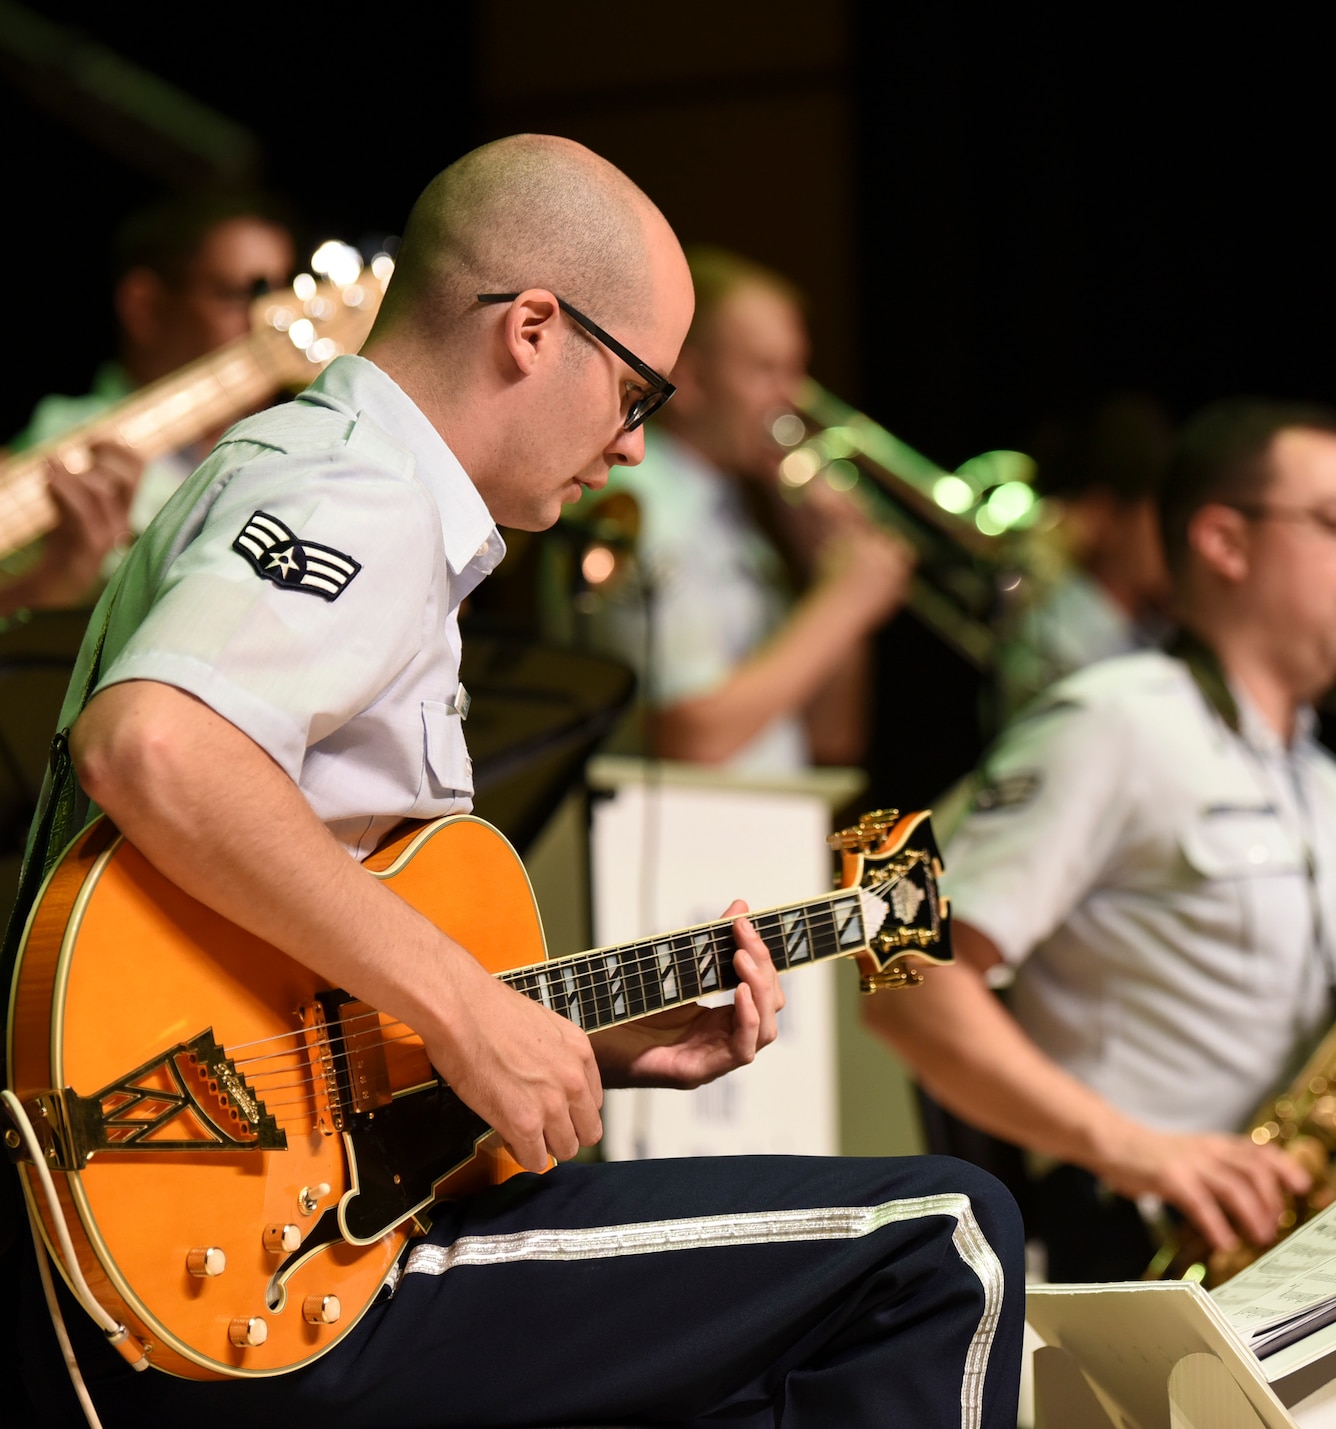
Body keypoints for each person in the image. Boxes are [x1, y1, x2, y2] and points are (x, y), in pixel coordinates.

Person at [6, 135, 1021, 1429]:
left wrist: (571, 1035)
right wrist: (472, 1015)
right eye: (638, 391)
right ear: (534, 328)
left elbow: (291, 975)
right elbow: (155, 745)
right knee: (944, 1243)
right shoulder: (357, 492)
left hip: (234, 1228)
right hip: (227, 1266)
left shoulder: (321, 478)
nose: (637, 446)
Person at [861, 398, 1336, 1283]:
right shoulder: (1109, 719)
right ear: (1224, 540)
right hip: (1146, 1244)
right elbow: (898, 969)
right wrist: (1138, 1149)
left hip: (1305, 1243)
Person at [572, 246, 910, 772]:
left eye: (797, 369)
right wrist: (843, 604)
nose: (792, 397)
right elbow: (692, 735)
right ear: (693, 380)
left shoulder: (737, 514)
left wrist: (829, 575)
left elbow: (833, 737)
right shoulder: (633, 504)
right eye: (766, 369)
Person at [0, 191, 297, 615]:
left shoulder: (273, 467)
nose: (270, 322)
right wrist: (54, 584)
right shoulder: (63, 435)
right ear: (146, 306)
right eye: (247, 294)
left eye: (283, 296)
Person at [994, 393, 1174, 716]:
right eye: (1159, 519)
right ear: (1102, 518)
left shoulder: (1155, 630)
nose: (1178, 538)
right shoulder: (1054, 644)